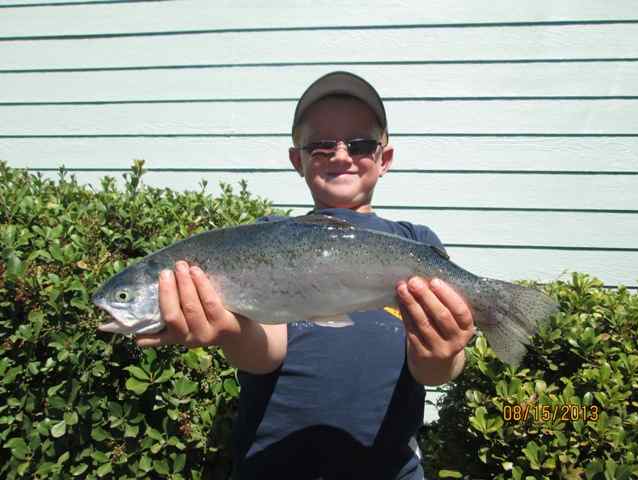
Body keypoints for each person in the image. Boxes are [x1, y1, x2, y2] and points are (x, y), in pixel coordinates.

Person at [136, 71, 475, 479]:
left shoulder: (416, 243)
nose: (341, 155)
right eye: (321, 145)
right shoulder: (264, 239)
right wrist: (226, 329)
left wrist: (444, 354)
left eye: (361, 144)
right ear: (298, 160)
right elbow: (266, 353)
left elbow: (435, 372)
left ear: (384, 159)